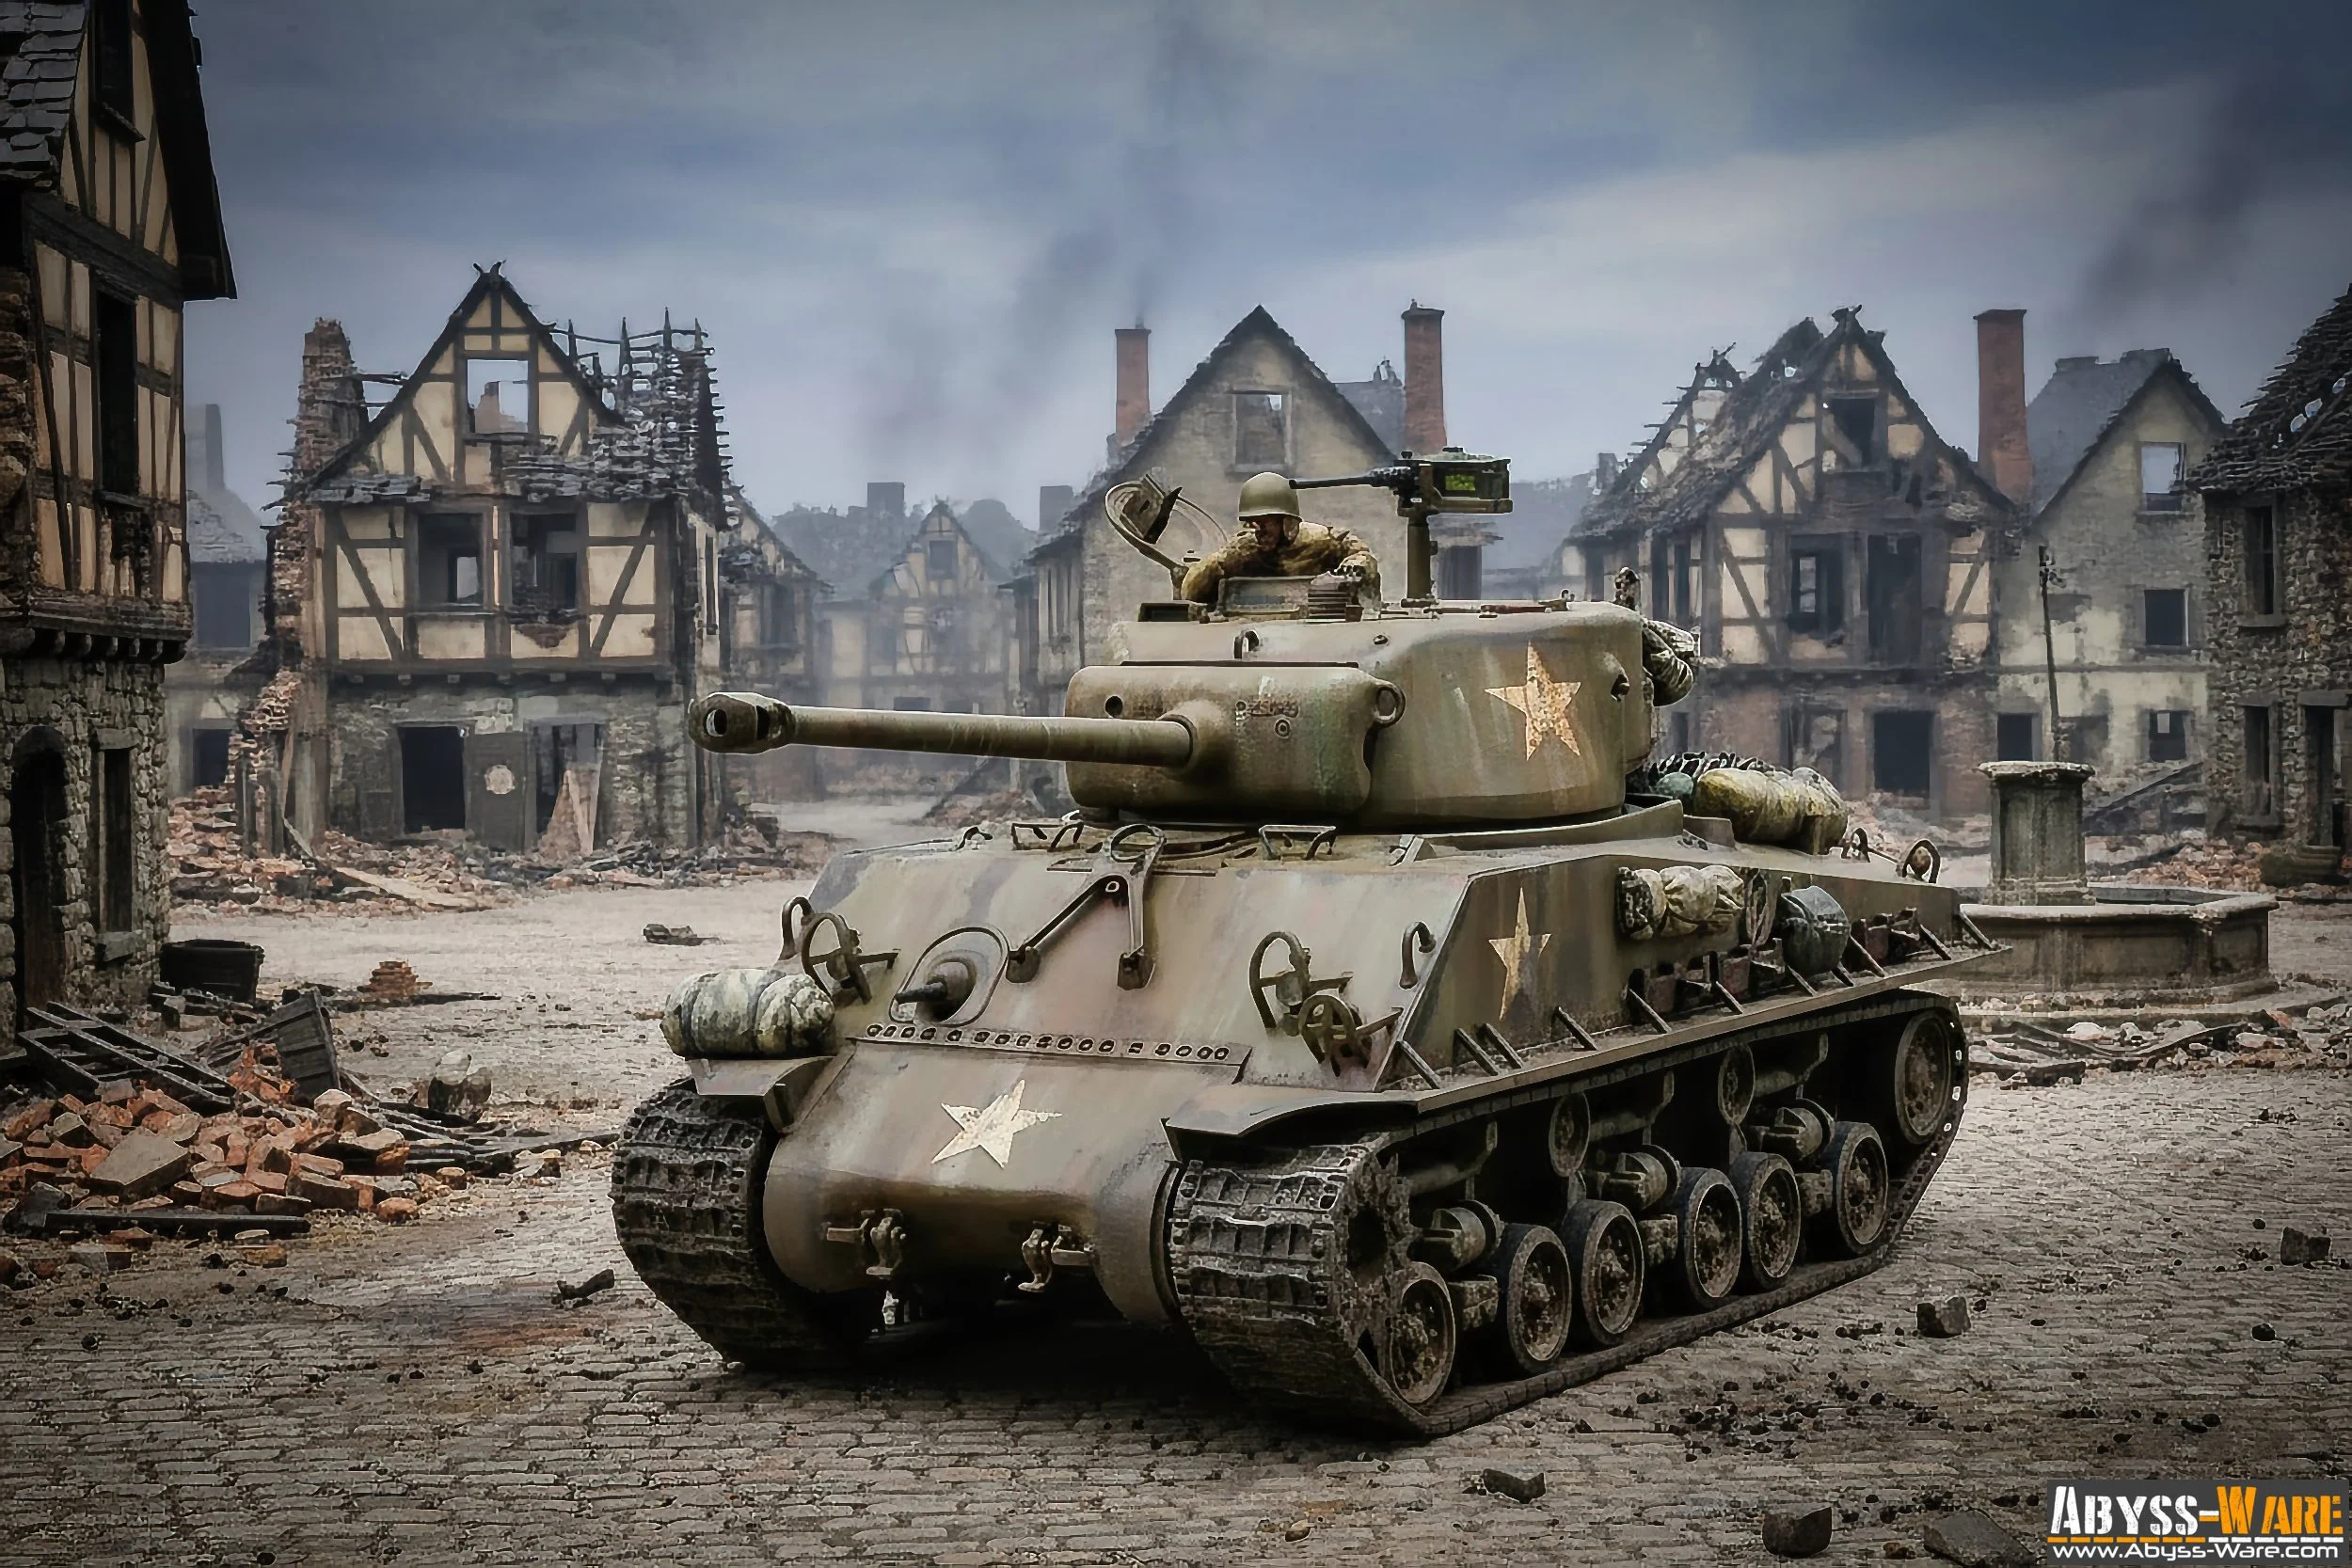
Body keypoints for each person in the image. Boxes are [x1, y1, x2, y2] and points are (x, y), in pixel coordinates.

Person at [1179, 472, 1380, 605]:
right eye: (1253, 523)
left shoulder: (1324, 542)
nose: (1259, 532)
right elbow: (1191, 595)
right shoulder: (1240, 552)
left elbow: (1362, 556)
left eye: (1266, 522)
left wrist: (1353, 568)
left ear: (1287, 522)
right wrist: (1211, 567)